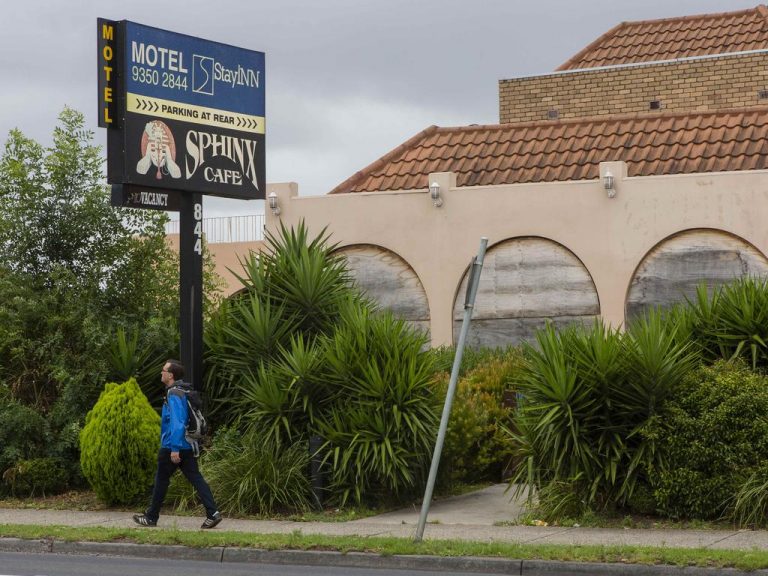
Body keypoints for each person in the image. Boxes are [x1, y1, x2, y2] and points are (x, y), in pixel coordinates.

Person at [133, 359, 222, 529]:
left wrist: (174, 448)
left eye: (163, 370)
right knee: (196, 479)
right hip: (187, 445)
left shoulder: (174, 393)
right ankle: (213, 513)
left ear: (171, 375)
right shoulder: (183, 390)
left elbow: (178, 422)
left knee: (161, 480)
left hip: (173, 446)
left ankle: (151, 517)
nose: (161, 373)